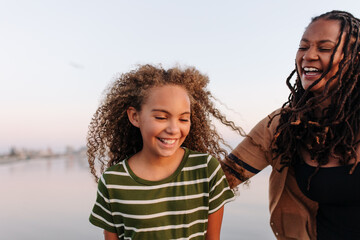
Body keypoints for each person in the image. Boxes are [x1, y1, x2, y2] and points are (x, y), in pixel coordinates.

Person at [221, 10, 360, 240]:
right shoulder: (282, 126)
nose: (309, 56)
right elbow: (219, 182)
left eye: (324, 48)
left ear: (355, 58)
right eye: (303, 46)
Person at [87, 64, 241, 239]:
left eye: (184, 119)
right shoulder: (113, 182)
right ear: (135, 116)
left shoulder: (206, 169)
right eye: (161, 117)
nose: (174, 129)